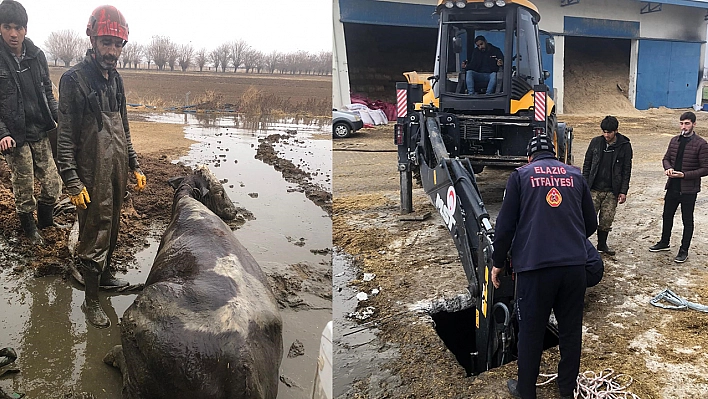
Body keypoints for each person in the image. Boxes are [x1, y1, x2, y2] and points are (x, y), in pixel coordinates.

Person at [56, 5, 146, 328]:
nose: (111, 51)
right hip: (90, 173)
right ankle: (90, 302)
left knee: (113, 227)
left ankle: (105, 276)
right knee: (94, 234)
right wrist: (72, 181)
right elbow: (63, 138)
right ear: (92, 38)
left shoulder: (117, 81)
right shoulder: (74, 80)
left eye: (117, 44)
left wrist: (134, 163)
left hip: (117, 167)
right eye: (105, 42)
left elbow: (124, 124)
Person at [491, 135, 597, 399]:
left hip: (535, 269)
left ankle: (526, 391)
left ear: (529, 157)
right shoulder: (574, 175)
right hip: (574, 268)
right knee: (570, 332)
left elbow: (504, 228)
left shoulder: (520, 176)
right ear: (556, 155)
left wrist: (497, 264)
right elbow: (591, 224)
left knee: (531, 333)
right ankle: (566, 389)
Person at [0, 0, 63, 246]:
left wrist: (60, 119)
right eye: (7, 27)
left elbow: (48, 92)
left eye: (18, 27)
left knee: (52, 182)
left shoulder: (37, 56)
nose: (13, 33)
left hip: (39, 128)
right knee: (23, 182)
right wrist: (2, 133)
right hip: (14, 135)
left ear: (26, 29)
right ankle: (29, 229)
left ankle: (46, 221)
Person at [649, 111, 708, 263]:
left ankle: (683, 250)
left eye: (687, 123)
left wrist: (685, 175)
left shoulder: (701, 144)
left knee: (687, 220)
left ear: (694, 124)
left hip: (689, 189)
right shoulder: (674, 141)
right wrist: (668, 168)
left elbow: (706, 168)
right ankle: (664, 242)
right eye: (682, 123)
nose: (684, 126)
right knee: (667, 215)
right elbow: (666, 158)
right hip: (672, 186)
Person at [582, 115, 633, 256]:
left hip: (612, 190)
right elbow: (587, 165)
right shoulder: (595, 142)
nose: (606, 135)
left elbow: (626, 170)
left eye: (609, 132)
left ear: (616, 131)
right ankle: (581, 244)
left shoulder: (625, 146)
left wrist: (623, 191)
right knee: (587, 218)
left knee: (606, 220)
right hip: (593, 189)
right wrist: (584, 185)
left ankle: (602, 245)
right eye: (604, 132)